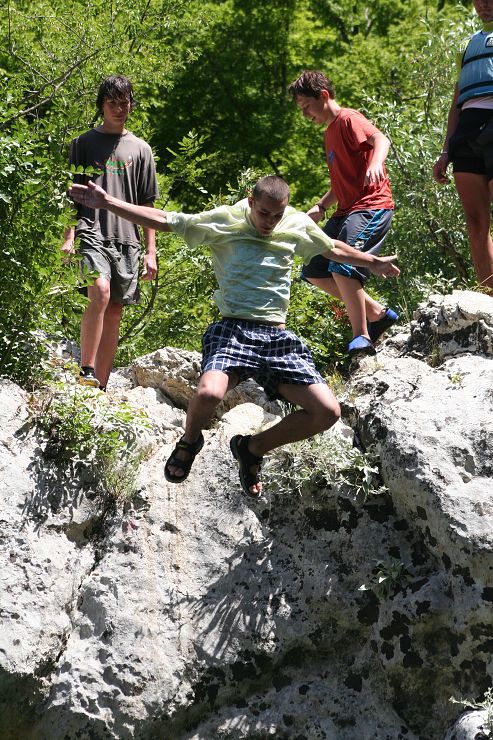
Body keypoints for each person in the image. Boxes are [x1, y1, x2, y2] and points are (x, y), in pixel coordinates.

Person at [68, 175, 399, 497]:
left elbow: (332, 248)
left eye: (277, 215)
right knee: (209, 394)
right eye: (264, 213)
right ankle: (190, 440)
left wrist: (372, 261)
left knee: (327, 412)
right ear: (251, 201)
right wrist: (108, 202)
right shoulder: (224, 220)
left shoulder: (295, 223)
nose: (270, 222)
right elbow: (166, 220)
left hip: (277, 339)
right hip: (234, 331)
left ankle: (251, 449)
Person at [288, 70, 399, 356]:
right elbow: (341, 181)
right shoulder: (329, 133)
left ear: (323, 96)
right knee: (313, 268)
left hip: (371, 205)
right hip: (345, 209)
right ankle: (377, 314)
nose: (305, 114)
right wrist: (321, 206)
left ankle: (361, 336)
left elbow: (381, 140)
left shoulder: (348, 119)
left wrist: (376, 162)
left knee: (343, 265)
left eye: (307, 106)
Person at [62, 75, 159, 390]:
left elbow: (148, 205)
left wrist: (151, 252)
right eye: (112, 103)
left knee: (115, 310)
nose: (119, 109)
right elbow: (70, 195)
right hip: (91, 231)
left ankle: (99, 388)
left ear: (131, 104)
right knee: (100, 292)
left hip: (127, 239)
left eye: (124, 102)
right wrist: (69, 236)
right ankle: (86, 370)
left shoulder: (142, 150)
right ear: (101, 106)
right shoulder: (83, 143)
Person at [432, 0, 493, 293]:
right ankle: (489, 297)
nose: (483, 4)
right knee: (475, 222)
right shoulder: (468, 45)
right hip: (466, 132)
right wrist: (446, 151)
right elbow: (457, 101)